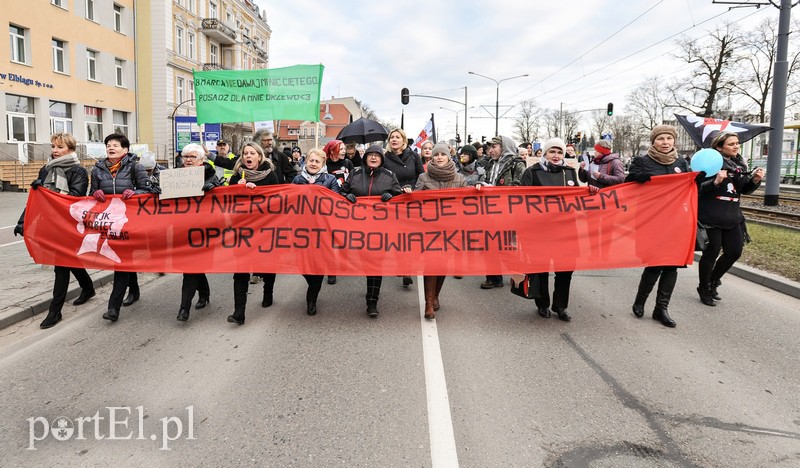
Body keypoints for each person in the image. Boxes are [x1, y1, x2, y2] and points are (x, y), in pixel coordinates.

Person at [13, 133, 95, 329]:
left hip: (68, 224)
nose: (54, 151)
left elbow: (75, 198)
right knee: (69, 260)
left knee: (61, 264)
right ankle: (88, 288)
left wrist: (48, 192)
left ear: (71, 149)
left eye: (59, 147)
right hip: (50, 223)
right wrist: (23, 221)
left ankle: (55, 311)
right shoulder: (46, 169)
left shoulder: (78, 171)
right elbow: (36, 199)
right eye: (53, 146)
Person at [521, 138, 593, 322]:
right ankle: (542, 304)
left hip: (566, 231)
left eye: (559, 152)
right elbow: (521, 201)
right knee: (542, 269)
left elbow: (577, 198)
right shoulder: (532, 172)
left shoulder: (569, 173)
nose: (556, 155)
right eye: (552, 151)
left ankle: (560, 306)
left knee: (565, 270)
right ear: (544, 153)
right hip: (541, 232)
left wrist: (589, 191)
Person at [625, 125, 690, 328]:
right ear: (653, 141)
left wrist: (703, 180)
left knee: (672, 266)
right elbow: (627, 186)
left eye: (669, 138)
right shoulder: (642, 162)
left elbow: (690, 190)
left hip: (677, 221)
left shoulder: (681, 163)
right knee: (655, 264)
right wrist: (637, 178)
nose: (665, 142)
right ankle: (640, 300)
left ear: (674, 141)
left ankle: (661, 309)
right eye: (660, 138)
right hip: (652, 221)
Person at [90, 133, 154, 323]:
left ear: (125, 150)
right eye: (108, 145)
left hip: (131, 222)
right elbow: (91, 193)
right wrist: (96, 193)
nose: (111, 148)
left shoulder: (135, 167)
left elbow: (149, 189)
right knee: (125, 260)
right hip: (110, 223)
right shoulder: (97, 170)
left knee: (122, 262)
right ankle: (134, 290)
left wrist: (135, 193)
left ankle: (113, 307)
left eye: (115, 145)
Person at [696, 132, 765, 306]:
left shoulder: (739, 165)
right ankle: (704, 288)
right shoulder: (709, 163)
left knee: (734, 251)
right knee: (711, 253)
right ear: (719, 147)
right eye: (731, 144)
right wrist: (715, 182)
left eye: (737, 143)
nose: (736, 146)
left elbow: (743, 189)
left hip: (732, 216)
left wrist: (755, 181)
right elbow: (697, 189)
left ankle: (712, 281)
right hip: (711, 216)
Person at [342, 144, 402, 317]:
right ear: (365, 157)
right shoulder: (354, 174)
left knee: (376, 264)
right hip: (358, 228)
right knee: (365, 262)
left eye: (377, 155)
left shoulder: (390, 176)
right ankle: (371, 289)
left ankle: (372, 301)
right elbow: (341, 193)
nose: (374, 158)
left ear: (382, 159)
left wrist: (392, 196)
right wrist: (347, 196)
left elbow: (399, 198)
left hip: (380, 229)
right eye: (370, 155)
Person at [226, 142, 279, 325]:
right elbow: (228, 203)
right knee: (240, 270)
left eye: (252, 153)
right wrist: (236, 189)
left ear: (259, 156)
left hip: (264, 229)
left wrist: (258, 193)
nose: (248, 156)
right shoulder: (235, 177)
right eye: (245, 153)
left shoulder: (270, 175)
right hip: (242, 230)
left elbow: (276, 201)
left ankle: (268, 291)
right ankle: (239, 312)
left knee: (266, 265)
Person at [415, 142, 468, 319]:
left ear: (448, 157)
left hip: (450, 229)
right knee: (430, 264)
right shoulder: (423, 177)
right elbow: (414, 202)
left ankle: (436, 295)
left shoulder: (459, 179)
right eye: (436, 154)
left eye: (442, 155)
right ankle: (428, 304)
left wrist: (477, 191)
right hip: (428, 229)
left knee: (443, 265)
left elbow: (467, 203)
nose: (439, 157)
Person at [173, 143, 220, 322]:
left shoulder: (211, 176)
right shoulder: (174, 177)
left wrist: (212, 188)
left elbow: (220, 201)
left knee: (190, 268)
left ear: (201, 160)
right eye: (186, 157)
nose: (188, 160)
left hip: (203, 231)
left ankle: (184, 308)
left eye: (192, 157)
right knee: (194, 266)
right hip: (181, 229)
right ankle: (205, 293)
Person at [291, 148, 342, 315]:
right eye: (311, 160)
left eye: (317, 161)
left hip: (322, 229)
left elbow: (335, 200)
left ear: (323, 164)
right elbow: (289, 200)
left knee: (318, 265)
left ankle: (311, 299)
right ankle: (312, 283)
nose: (313, 164)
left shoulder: (330, 179)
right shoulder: (298, 179)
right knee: (301, 264)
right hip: (301, 229)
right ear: (306, 162)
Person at [480, 135, 526, 289]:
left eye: (494, 147)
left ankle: (518, 278)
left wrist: (496, 191)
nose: (490, 151)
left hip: (508, 213)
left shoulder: (517, 164)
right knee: (490, 245)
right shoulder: (490, 164)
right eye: (490, 148)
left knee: (509, 248)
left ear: (504, 147)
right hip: (490, 211)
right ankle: (493, 278)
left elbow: (519, 187)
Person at [383, 128, 424, 288]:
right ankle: (403, 265)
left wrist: (413, 189)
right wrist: (396, 189)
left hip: (412, 199)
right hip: (395, 200)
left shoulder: (413, 155)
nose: (394, 140)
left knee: (410, 235)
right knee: (397, 236)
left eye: (397, 137)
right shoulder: (385, 158)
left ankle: (407, 268)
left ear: (403, 140)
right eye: (391, 137)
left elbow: (421, 175)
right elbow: (383, 177)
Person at [322, 139, 355, 285]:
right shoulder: (325, 165)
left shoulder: (347, 163)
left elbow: (354, 179)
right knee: (330, 238)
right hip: (328, 206)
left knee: (343, 236)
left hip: (345, 203)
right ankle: (331, 269)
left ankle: (343, 261)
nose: (344, 151)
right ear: (332, 150)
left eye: (344, 149)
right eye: (340, 149)